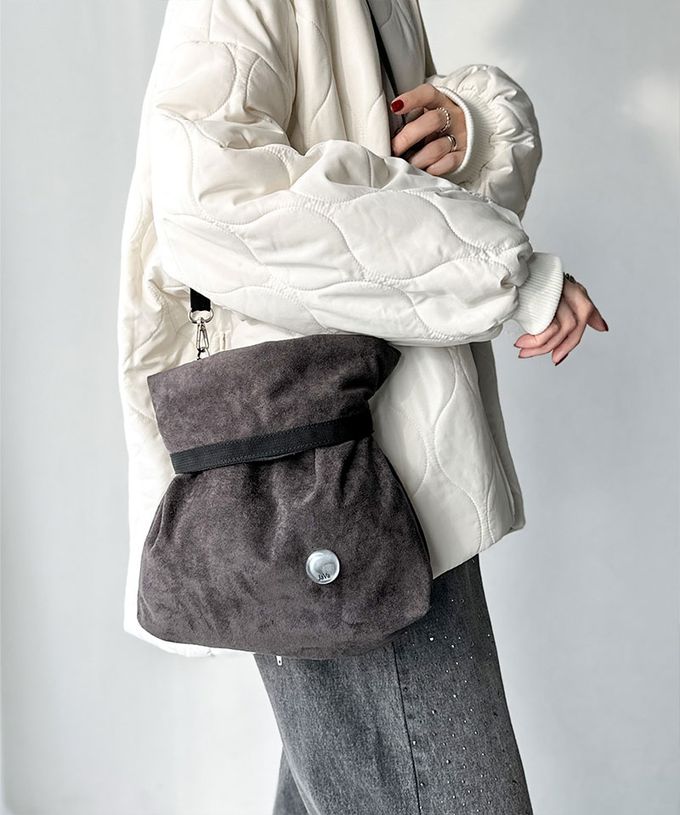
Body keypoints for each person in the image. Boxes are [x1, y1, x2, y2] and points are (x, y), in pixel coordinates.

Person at [117, 0, 608, 812]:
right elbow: (208, 203)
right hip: (333, 485)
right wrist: (510, 275)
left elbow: (385, 186)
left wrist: (471, 127)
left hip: (384, 465)